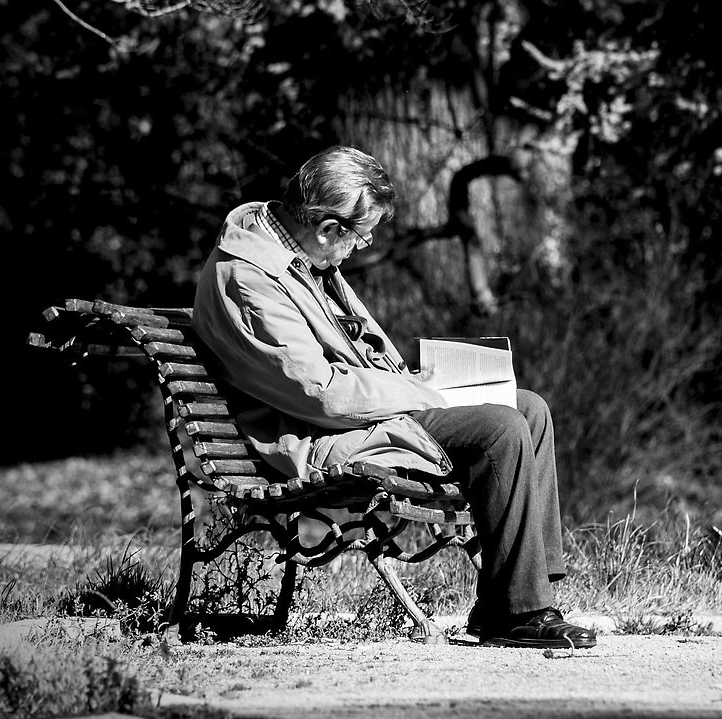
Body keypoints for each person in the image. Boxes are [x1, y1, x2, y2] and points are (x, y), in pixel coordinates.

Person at [192, 145, 596, 649]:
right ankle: (521, 611)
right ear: (328, 228)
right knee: (502, 427)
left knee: (529, 408)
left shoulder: (297, 252)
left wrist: (419, 381)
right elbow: (321, 394)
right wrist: (420, 391)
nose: (361, 248)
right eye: (362, 236)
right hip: (315, 435)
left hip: (358, 415)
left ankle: (511, 599)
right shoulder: (251, 279)